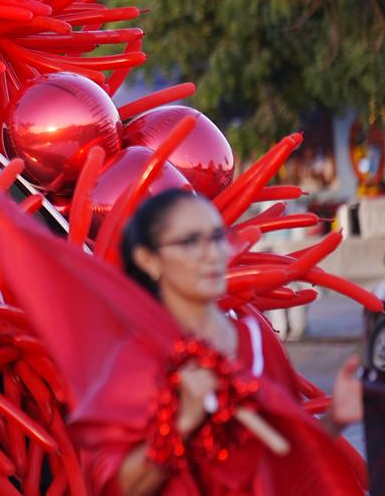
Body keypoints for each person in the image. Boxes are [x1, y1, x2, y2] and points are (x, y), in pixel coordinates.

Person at [85, 188, 364, 495]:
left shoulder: (255, 340)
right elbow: (116, 486)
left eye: (218, 237)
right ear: (148, 260)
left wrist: (334, 420)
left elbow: (286, 460)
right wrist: (181, 423)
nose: (213, 254)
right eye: (191, 242)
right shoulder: (136, 357)